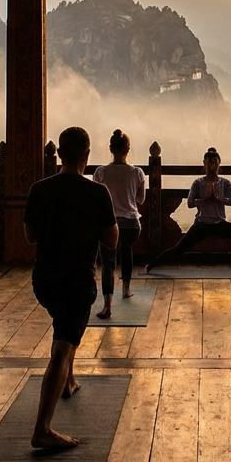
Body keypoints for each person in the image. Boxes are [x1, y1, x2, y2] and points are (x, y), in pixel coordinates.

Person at [25, 126, 118, 449]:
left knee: (64, 327)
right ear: (86, 156)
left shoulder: (39, 189)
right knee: (63, 346)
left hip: (44, 280)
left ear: (59, 154)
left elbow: (30, 236)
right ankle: (42, 429)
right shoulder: (96, 193)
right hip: (77, 281)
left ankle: (70, 381)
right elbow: (111, 240)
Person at [146, 148, 231, 275]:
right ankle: (150, 266)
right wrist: (203, 200)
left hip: (220, 224)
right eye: (209, 162)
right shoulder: (198, 183)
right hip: (201, 225)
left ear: (219, 164)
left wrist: (219, 199)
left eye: (214, 162)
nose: (211, 165)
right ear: (204, 165)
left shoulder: (224, 183)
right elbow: (190, 203)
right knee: (178, 249)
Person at [92, 129, 146, 319]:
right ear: (128, 149)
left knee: (108, 262)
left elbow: (96, 201)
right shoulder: (137, 172)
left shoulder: (101, 172)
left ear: (110, 148)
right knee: (127, 252)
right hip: (131, 223)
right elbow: (140, 200)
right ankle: (126, 289)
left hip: (108, 223)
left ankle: (107, 305)